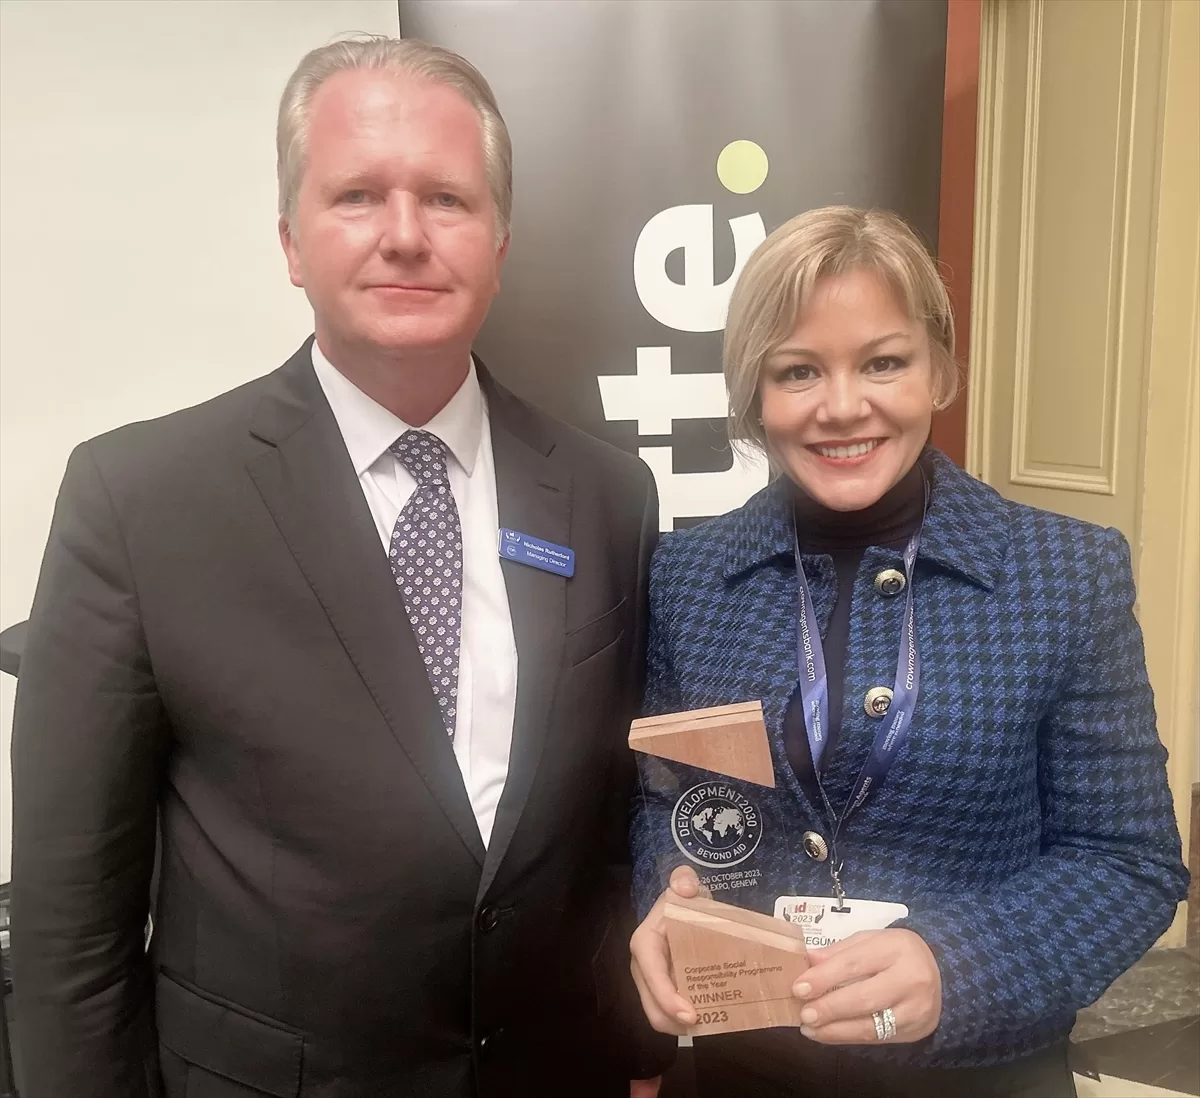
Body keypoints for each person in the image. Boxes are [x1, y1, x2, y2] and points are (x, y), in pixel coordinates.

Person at [11, 36, 671, 1098]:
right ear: (291, 240)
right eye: (358, 195)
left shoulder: (606, 494)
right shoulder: (139, 501)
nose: (405, 236)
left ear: (500, 242)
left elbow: (605, 828)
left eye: (447, 199)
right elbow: (69, 922)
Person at [628, 206, 1188, 1097]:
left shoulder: (1065, 573)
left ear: (940, 370)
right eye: (798, 371)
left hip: (979, 1073)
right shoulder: (691, 577)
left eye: (883, 362)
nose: (842, 406)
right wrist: (668, 893)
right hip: (752, 1069)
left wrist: (956, 966)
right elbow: (668, 799)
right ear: (754, 395)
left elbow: (1128, 861)